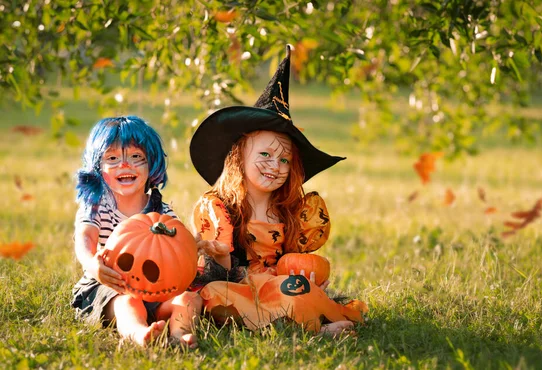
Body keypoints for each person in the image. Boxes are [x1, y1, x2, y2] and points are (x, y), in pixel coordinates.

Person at [188, 45, 367, 335]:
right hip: (236, 285)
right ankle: (308, 326)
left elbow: (293, 262)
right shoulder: (219, 207)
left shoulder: (292, 210)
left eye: (284, 160)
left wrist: (308, 278)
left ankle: (305, 322)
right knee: (214, 297)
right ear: (239, 157)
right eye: (265, 156)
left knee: (297, 292)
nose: (275, 166)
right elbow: (213, 270)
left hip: (279, 285)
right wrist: (219, 256)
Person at [71, 116, 203, 347]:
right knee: (128, 304)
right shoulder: (98, 204)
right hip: (109, 286)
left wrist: (194, 245)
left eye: (136, 157)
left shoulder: (159, 209)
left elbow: (179, 244)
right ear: (98, 168)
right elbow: (85, 236)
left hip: (156, 290)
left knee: (188, 298)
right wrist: (93, 264)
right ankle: (139, 333)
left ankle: (179, 334)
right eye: (112, 158)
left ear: (151, 165)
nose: (125, 165)